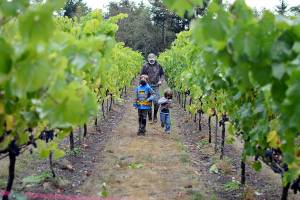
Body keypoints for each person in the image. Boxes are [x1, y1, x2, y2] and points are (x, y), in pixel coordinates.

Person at [140, 53, 164, 123]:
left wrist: (160, 81)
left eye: (152, 60)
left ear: (155, 59)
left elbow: (162, 75)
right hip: (147, 86)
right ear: (148, 59)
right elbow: (141, 75)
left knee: (157, 102)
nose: (151, 61)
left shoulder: (159, 66)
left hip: (156, 86)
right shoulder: (145, 66)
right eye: (150, 60)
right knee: (148, 103)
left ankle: (155, 115)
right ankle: (150, 117)